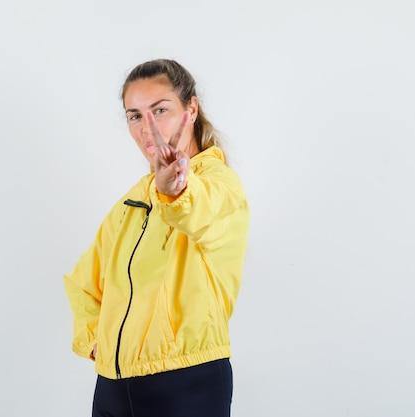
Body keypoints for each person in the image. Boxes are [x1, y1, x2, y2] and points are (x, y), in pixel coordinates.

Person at [63, 59, 250, 417]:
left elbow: (200, 212)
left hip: (186, 382)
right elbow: (83, 283)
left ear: (190, 109)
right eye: (135, 116)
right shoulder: (131, 203)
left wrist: (175, 190)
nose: (147, 128)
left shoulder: (219, 185)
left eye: (159, 110)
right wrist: (95, 341)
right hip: (114, 387)